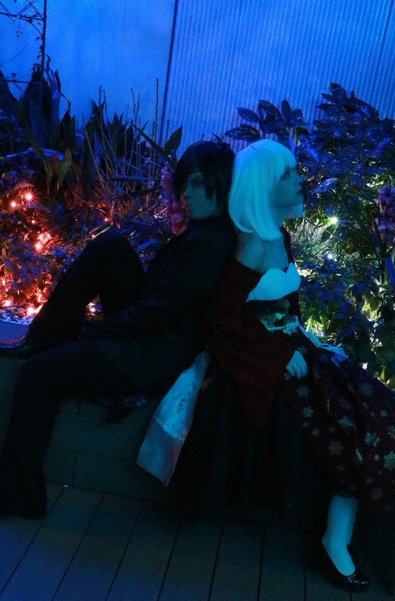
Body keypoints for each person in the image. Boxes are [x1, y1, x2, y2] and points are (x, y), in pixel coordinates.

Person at [174, 139, 395, 592]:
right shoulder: (252, 246)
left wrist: (304, 340)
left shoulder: (278, 238)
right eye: (288, 174)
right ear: (262, 186)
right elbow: (220, 321)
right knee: (356, 428)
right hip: (272, 367)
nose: (299, 181)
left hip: (296, 352)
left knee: (378, 418)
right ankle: (335, 543)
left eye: (296, 172)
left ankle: (337, 538)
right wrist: (277, 356)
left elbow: (283, 306)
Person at [0, 140, 236, 519]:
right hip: (152, 336)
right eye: (184, 184)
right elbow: (158, 303)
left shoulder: (206, 246)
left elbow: (154, 314)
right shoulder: (207, 232)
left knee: (36, 375)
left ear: (219, 183)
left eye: (196, 184)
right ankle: (45, 336)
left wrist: (95, 332)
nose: (185, 195)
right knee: (110, 247)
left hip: (145, 357)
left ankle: (20, 495)